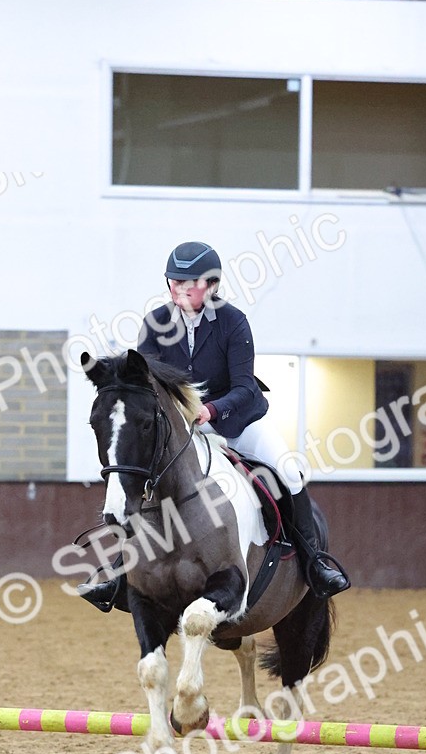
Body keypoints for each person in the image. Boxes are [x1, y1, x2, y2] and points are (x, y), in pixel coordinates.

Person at [80, 240, 349, 610]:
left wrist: (212, 411)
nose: (181, 290)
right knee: (144, 481)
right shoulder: (156, 323)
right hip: (184, 431)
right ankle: (119, 572)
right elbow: (147, 386)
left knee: (288, 469)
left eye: (190, 284)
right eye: (175, 282)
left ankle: (315, 561)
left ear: (212, 285)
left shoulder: (232, 322)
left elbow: (244, 386)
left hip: (236, 422)